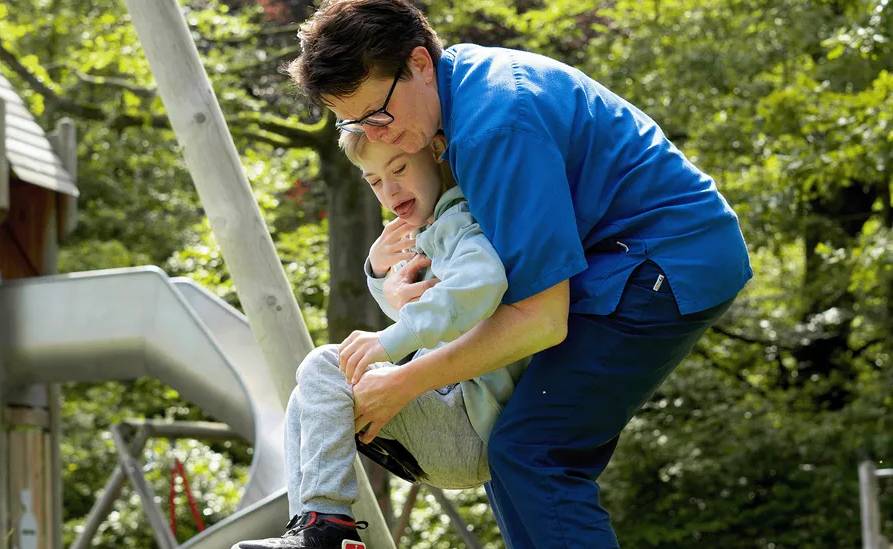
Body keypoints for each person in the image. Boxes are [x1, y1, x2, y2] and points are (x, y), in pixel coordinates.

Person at [282, 1, 754, 548]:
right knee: (517, 453)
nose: (376, 135)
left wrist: (406, 379)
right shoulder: (450, 108)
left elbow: (540, 320)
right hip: (619, 258)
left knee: (535, 452)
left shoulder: (494, 122)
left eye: (378, 115)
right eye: (357, 123)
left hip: (668, 257)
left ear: (418, 64)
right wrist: (392, 285)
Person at [234, 131, 529, 549]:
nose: (389, 191)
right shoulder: (437, 224)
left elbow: (481, 283)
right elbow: (428, 311)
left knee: (326, 365)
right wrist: (377, 271)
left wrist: (389, 341)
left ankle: (327, 529)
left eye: (399, 168)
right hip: (450, 425)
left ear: (436, 151)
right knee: (308, 397)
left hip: (467, 424)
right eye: (374, 181)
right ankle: (313, 528)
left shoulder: (460, 219)